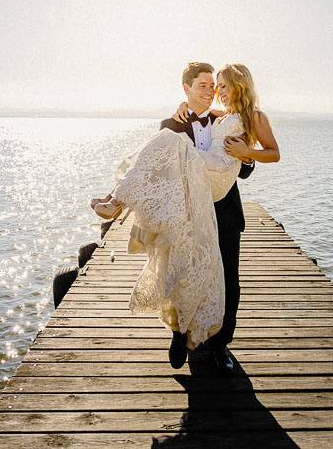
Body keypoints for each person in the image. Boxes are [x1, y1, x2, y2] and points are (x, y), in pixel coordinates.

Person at [91, 63, 280, 371]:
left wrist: (247, 152)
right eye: (206, 85)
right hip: (186, 208)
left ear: (239, 86)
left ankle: (220, 346)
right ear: (187, 89)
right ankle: (181, 333)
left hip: (224, 202)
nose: (214, 91)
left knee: (229, 277)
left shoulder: (248, 116)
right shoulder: (176, 121)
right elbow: (158, 170)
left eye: (218, 85)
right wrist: (183, 108)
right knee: (181, 269)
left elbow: (258, 161)